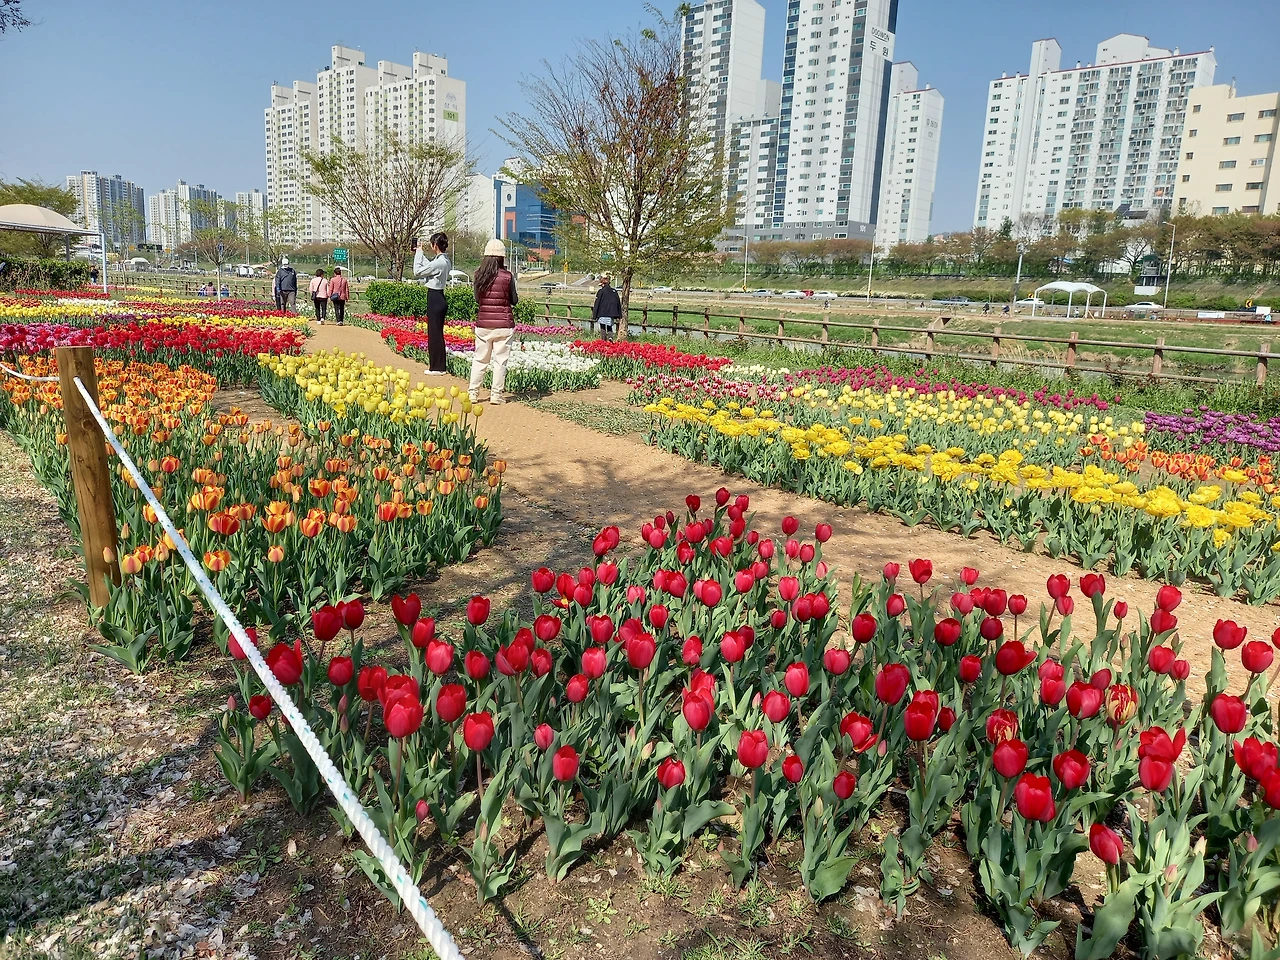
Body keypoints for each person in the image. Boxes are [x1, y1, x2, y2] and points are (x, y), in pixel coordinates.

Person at [469, 238, 518, 405]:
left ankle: (473, 393)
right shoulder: (507, 276)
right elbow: (514, 300)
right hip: (503, 324)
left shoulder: (478, 275)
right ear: (502, 257)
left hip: (483, 323)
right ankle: (496, 395)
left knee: (480, 359)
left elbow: (477, 299)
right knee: (500, 361)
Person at [414, 232, 452, 374]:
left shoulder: (439, 262)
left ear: (435, 245)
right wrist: (420, 254)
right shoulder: (444, 261)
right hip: (439, 296)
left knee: (434, 334)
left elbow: (417, 271)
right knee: (437, 333)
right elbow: (430, 266)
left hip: (435, 298)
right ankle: (439, 365)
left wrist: (418, 254)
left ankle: (437, 367)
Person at [592, 274, 621, 340]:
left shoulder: (601, 291)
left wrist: (594, 315)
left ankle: (603, 340)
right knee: (609, 326)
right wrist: (619, 315)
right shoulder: (614, 291)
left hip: (602, 312)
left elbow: (597, 303)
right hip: (611, 313)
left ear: (602, 284)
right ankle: (610, 338)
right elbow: (618, 303)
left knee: (602, 327)